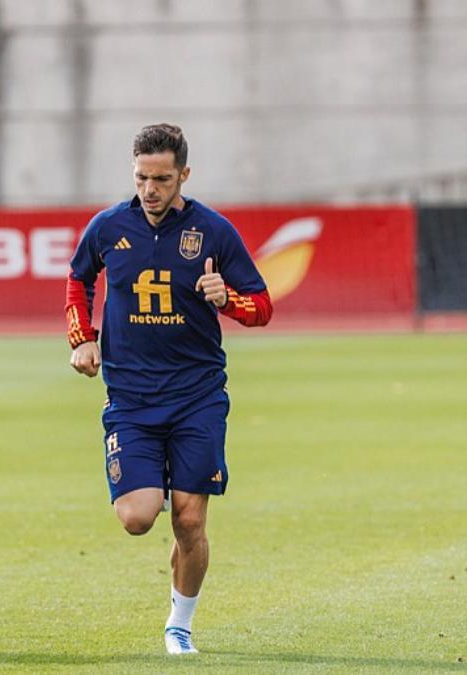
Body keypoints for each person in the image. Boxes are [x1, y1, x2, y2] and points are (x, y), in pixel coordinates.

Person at [65, 123, 272, 654]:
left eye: (161, 178)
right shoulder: (109, 227)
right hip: (131, 398)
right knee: (137, 517)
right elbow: (77, 279)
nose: (150, 189)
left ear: (184, 174)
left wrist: (225, 298)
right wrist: (82, 339)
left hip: (197, 396)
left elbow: (261, 307)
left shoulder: (214, 231)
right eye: (141, 178)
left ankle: (179, 625)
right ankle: (155, 480)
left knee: (189, 519)